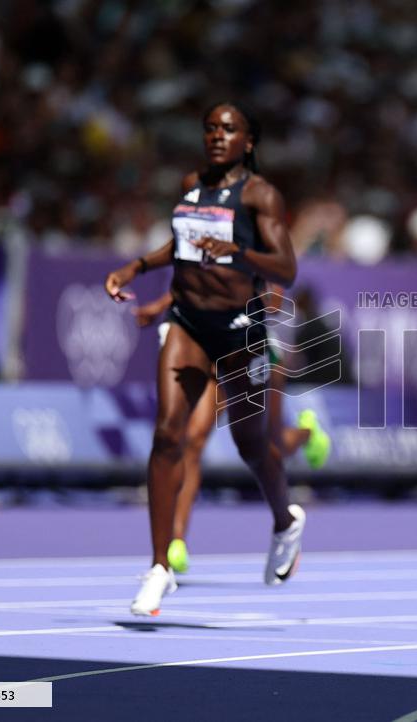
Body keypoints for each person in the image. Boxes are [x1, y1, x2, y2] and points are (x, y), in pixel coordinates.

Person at [105, 102, 308, 616]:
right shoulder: (191, 183)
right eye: (210, 128)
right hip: (188, 322)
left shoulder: (260, 196)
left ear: (249, 141)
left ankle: (285, 521)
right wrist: (135, 268)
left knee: (252, 445)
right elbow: (181, 245)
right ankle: (158, 568)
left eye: (229, 129)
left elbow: (286, 268)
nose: (217, 135)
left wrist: (236, 252)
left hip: (240, 329)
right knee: (168, 433)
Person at [132, 287, 331, 574]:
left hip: (255, 352)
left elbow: (274, 301)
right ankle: (177, 540)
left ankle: (308, 434)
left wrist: (232, 301)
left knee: (271, 443)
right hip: (213, 354)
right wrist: (162, 305)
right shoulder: (202, 251)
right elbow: (189, 286)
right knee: (193, 440)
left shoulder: (253, 248)